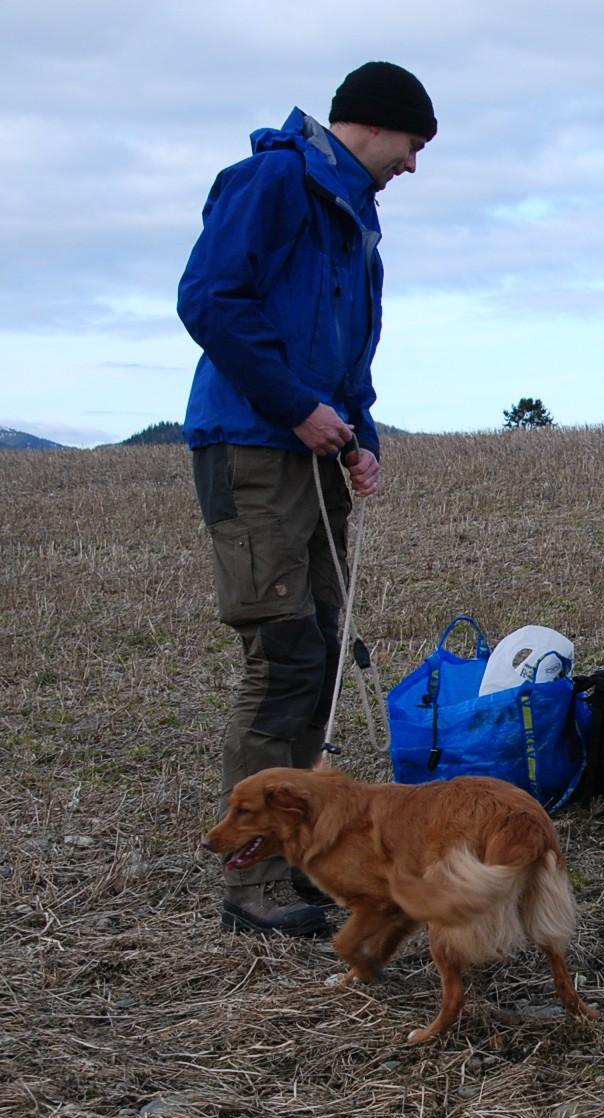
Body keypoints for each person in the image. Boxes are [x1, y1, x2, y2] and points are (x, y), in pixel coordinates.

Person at [178, 62, 436, 935]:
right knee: (283, 656)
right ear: (375, 124)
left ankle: (298, 858)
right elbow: (209, 299)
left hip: (314, 455)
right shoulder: (273, 181)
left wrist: (360, 433)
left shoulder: (355, 217)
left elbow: (347, 348)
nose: (413, 165)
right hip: (253, 451)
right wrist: (295, 407)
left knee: (320, 650)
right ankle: (251, 884)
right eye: (414, 144)